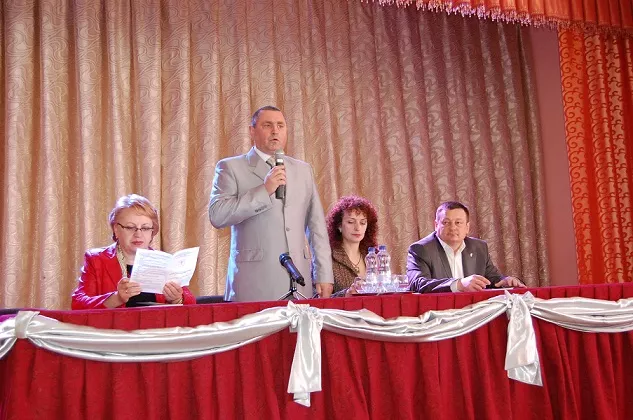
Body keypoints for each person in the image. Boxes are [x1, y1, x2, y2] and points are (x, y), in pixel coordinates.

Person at [208, 105, 333, 301]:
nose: (275, 131)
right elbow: (217, 215)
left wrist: (324, 274)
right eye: (267, 125)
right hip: (253, 284)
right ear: (252, 131)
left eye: (280, 126)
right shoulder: (230, 167)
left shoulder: (303, 170)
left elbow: (316, 226)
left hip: (299, 282)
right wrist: (264, 191)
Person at [71, 194, 196, 309]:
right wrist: (117, 298)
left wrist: (177, 299)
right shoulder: (96, 259)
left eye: (145, 228)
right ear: (116, 229)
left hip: (156, 326)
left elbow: (191, 303)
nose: (138, 234)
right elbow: (78, 304)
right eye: (130, 227)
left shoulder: (164, 261)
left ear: (152, 232)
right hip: (115, 326)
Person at [407, 201, 526, 293]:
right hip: (439, 312)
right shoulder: (421, 249)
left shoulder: (479, 247)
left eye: (458, 223)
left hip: (474, 310)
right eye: (446, 222)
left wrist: (505, 281)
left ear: (467, 227)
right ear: (436, 225)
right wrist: (459, 284)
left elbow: (491, 279)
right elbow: (418, 284)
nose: (453, 227)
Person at [325, 195, 378, 295]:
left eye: (363, 223)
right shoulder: (326, 258)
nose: (357, 228)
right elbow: (317, 298)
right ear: (339, 225)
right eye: (351, 222)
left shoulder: (375, 255)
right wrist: (345, 294)